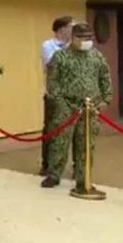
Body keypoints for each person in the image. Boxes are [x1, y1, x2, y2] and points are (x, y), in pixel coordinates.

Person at [42, 23, 112, 194]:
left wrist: (106, 99)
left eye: (89, 38)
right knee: (59, 142)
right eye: (82, 38)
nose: (86, 41)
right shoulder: (61, 57)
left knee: (86, 144)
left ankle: (83, 178)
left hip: (90, 108)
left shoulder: (96, 57)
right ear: (73, 38)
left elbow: (105, 78)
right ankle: (54, 174)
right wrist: (59, 101)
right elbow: (52, 82)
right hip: (66, 105)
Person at [40, 16, 74, 176]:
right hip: (54, 95)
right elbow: (54, 65)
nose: (72, 31)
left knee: (75, 131)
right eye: (70, 27)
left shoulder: (74, 47)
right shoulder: (48, 45)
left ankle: (76, 167)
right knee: (50, 129)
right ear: (61, 29)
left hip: (72, 95)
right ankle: (47, 164)